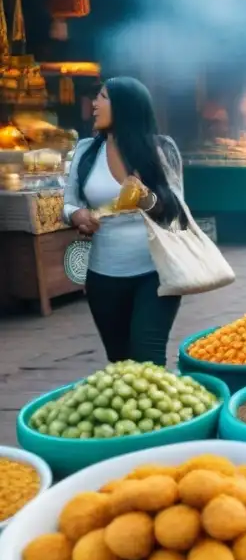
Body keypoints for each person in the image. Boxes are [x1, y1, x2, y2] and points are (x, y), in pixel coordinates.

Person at [63, 77, 186, 366]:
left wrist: (144, 198)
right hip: (102, 276)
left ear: (125, 106)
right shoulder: (86, 150)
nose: (94, 104)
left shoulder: (160, 149)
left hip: (155, 272)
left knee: (148, 360)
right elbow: (67, 204)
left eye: (102, 98)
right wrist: (76, 215)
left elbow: (177, 211)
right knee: (120, 364)